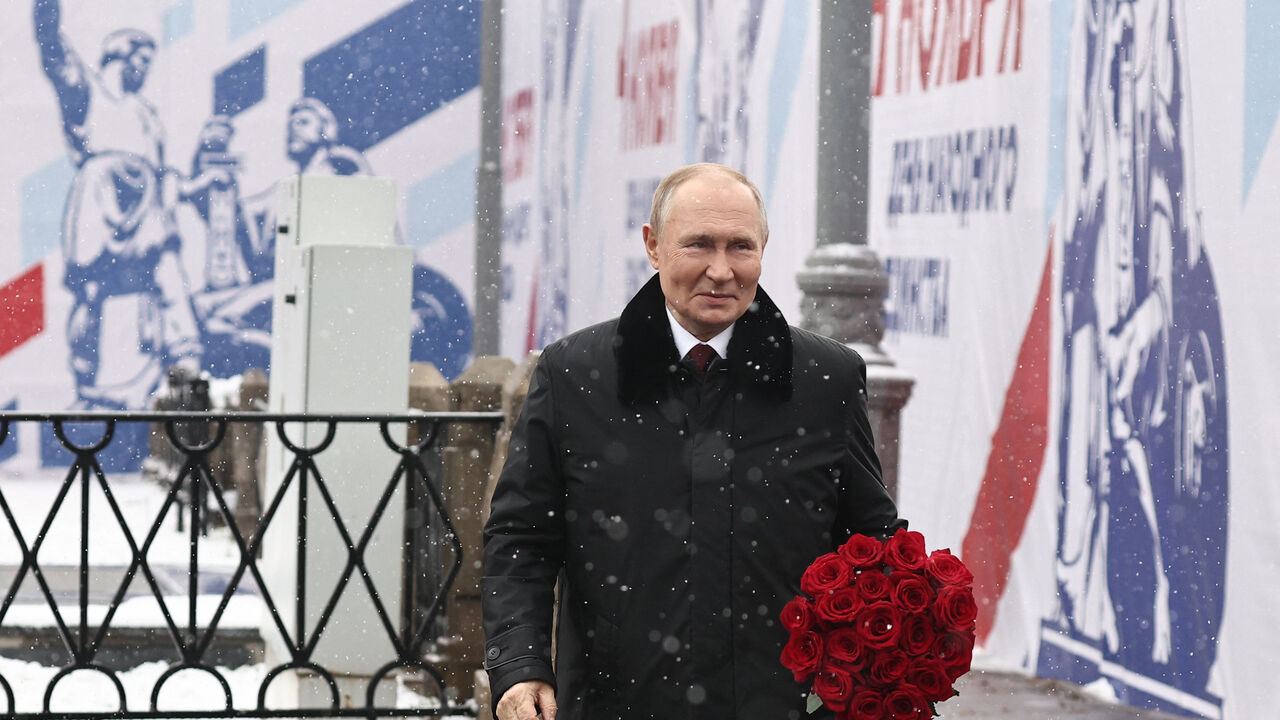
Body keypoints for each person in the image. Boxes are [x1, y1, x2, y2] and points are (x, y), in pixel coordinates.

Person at [482, 163, 905, 720]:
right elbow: (521, 540)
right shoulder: (574, 374)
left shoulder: (826, 378)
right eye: (698, 245)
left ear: (764, 249)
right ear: (653, 247)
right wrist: (520, 667)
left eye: (740, 247)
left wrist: (858, 692)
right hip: (617, 704)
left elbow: (872, 548)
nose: (721, 270)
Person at [34, 0, 223, 407]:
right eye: (142, 60)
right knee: (91, 290)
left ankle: (186, 367)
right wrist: (45, 11)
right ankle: (85, 385)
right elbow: (52, 50)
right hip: (100, 194)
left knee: (167, 272)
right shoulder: (84, 90)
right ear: (121, 55)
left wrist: (192, 189)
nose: (146, 69)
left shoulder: (147, 114)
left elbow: (164, 174)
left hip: (146, 200)